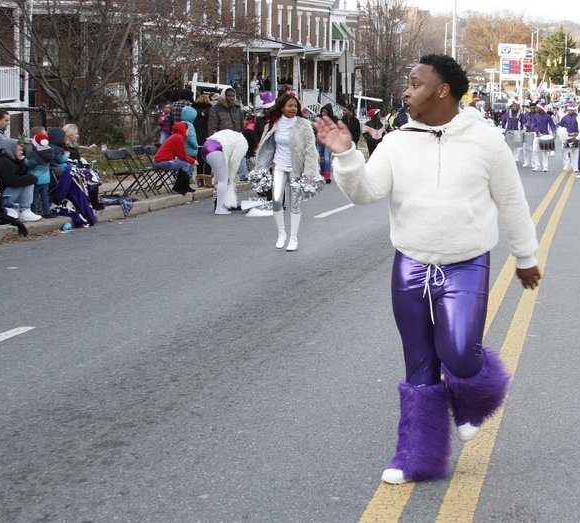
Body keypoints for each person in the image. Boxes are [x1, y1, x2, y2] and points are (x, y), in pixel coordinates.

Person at [313, 53, 540, 486]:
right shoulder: (397, 141)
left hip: (466, 262)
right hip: (411, 263)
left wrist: (525, 256)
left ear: (442, 91)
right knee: (418, 364)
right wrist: (346, 158)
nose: (407, 90)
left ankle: (475, 400)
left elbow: (512, 201)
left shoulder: (486, 141)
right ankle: (416, 457)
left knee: (458, 351)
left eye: (416, 83)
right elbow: (367, 192)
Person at [254, 92, 321, 251]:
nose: (293, 109)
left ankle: (293, 238)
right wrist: (261, 166)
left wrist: (310, 173)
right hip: (279, 166)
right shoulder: (273, 123)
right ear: (282, 107)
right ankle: (281, 234)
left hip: (296, 169)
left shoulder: (304, 125)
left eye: (295, 106)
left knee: (295, 204)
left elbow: (310, 150)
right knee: (276, 201)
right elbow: (266, 145)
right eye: (289, 106)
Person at [0, 138, 42, 221]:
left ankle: (24, 210)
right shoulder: (4, 162)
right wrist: (31, 178)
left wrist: (20, 162)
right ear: (11, 149)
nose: (22, 152)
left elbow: (21, 175)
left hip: (6, 193)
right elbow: (13, 181)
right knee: (28, 181)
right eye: (19, 150)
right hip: (1, 197)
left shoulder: (11, 160)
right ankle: (23, 209)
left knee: (28, 181)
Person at [199, 129, 248, 215]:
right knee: (223, 180)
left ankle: (219, 204)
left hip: (205, 148)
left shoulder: (234, 134)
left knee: (220, 179)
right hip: (216, 150)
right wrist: (231, 177)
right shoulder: (243, 143)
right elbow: (234, 162)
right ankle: (219, 208)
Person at [153, 121, 196, 195]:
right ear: (183, 129)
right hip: (162, 162)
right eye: (187, 129)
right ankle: (178, 186)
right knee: (186, 164)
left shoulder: (176, 136)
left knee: (185, 163)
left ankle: (185, 186)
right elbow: (182, 155)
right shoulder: (178, 137)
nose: (188, 131)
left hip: (162, 161)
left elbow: (181, 155)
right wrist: (193, 161)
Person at [25, 131, 53, 216]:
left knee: (35, 196)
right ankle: (46, 211)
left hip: (37, 179)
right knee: (45, 196)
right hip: (46, 178)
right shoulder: (49, 152)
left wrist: (24, 160)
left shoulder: (36, 154)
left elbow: (30, 164)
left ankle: (34, 211)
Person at [193, 94, 214, 186]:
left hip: (196, 137)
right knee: (208, 159)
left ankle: (200, 181)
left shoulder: (193, 111)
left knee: (199, 160)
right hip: (207, 137)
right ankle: (208, 181)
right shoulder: (210, 111)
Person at [530, 102, 556, 172]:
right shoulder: (535, 116)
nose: (536, 109)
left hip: (545, 135)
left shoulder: (548, 116)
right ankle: (537, 166)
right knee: (535, 150)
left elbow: (552, 125)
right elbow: (534, 125)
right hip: (537, 135)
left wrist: (553, 132)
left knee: (545, 152)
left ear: (541, 109)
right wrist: (537, 132)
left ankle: (545, 167)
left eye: (537, 108)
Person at [558, 104, 580, 171]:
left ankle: (575, 167)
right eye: (569, 110)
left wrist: (577, 133)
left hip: (574, 136)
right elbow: (561, 126)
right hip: (566, 136)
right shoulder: (564, 117)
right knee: (564, 150)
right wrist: (562, 132)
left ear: (574, 110)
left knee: (575, 152)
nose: (570, 111)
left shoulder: (578, 117)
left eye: (571, 110)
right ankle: (566, 165)